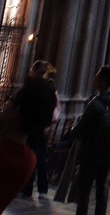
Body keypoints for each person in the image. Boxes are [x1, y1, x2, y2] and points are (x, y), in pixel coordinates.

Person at [71, 64, 110, 215]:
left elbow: (81, 127)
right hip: (108, 150)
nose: (94, 78)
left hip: (90, 151)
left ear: (102, 80)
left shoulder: (95, 104)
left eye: (97, 76)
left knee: (85, 189)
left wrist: (69, 136)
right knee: (102, 187)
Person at [16, 59, 58, 199]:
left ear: (34, 71)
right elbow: (52, 105)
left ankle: (27, 188)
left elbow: (18, 102)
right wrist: (47, 124)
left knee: (28, 156)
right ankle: (42, 188)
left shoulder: (30, 85)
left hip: (29, 126)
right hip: (43, 127)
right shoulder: (49, 87)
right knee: (40, 157)